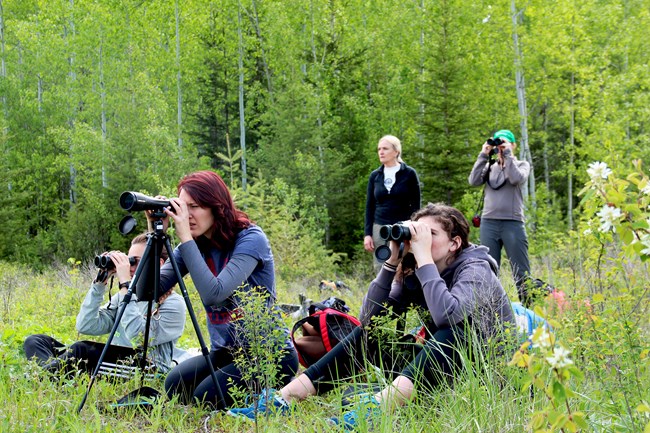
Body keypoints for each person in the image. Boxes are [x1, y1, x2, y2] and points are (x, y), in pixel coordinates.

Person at [228, 203, 515, 430]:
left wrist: (424, 258)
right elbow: (369, 320)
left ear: (454, 243)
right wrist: (391, 262)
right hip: (440, 364)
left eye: (430, 235)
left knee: (457, 329)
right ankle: (285, 397)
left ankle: (377, 407)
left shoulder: (475, 268)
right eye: (417, 233)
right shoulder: (417, 269)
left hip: (486, 370)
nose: (420, 241)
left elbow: (447, 318)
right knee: (372, 333)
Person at [154, 170, 299, 409]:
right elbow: (148, 290)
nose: (187, 215)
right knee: (175, 385)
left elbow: (215, 293)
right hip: (226, 352)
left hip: (270, 353)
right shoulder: (191, 245)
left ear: (216, 206)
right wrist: (156, 232)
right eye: (182, 207)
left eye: (195, 207)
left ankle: (273, 389)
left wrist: (184, 236)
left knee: (204, 397)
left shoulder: (250, 238)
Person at [23, 233, 186, 377]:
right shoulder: (124, 297)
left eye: (135, 262)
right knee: (36, 341)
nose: (129, 267)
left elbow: (138, 339)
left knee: (81, 350)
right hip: (114, 362)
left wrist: (125, 287)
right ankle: (51, 373)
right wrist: (100, 283)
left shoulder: (173, 303)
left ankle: (41, 376)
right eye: (129, 261)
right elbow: (86, 325)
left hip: (147, 369)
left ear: (159, 264)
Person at [468, 129, 533, 306]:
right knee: (488, 270)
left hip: (512, 223)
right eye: (499, 145)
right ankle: (489, 312)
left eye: (505, 143)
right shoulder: (490, 167)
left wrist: (508, 156)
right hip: (489, 223)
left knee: (521, 271)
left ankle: (529, 310)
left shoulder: (522, 165)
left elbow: (516, 178)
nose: (501, 147)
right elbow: (473, 181)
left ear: (513, 145)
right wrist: (484, 154)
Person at [364, 135, 421, 270]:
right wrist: (367, 234)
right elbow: (369, 206)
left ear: (396, 152)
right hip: (380, 227)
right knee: (381, 265)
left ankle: (400, 291)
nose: (381, 152)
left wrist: (414, 228)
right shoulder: (375, 176)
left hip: (403, 227)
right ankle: (381, 291)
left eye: (385, 148)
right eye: (379, 149)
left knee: (404, 265)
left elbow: (416, 205)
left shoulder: (409, 173)